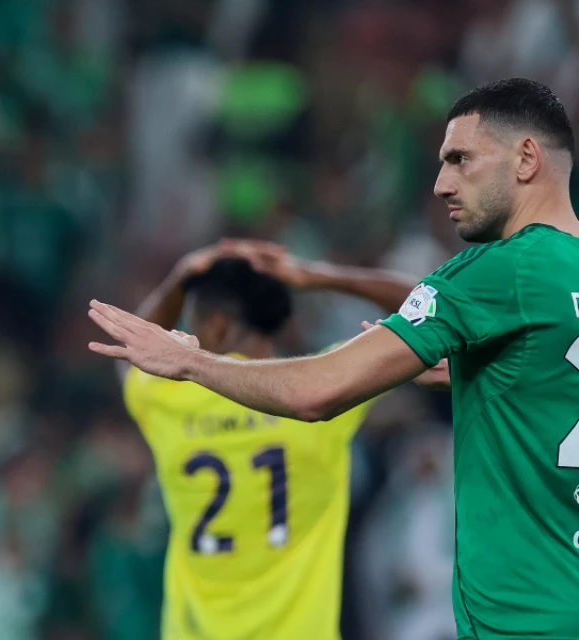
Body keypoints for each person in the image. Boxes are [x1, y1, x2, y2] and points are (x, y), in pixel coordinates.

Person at [90, 77, 579, 639]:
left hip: (524, 622)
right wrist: (482, 380)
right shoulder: (547, 285)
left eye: (460, 159)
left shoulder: (500, 271)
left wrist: (189, 362)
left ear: (526, 158)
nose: (441, 183)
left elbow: (315, 392)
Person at [118, 239, 419, 639]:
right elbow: (430, 309)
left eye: (192, 323)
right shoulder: (324, 387)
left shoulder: (170, 399)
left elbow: (136, 356)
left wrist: (178, 280)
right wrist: (316, 276)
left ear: (217, 325)